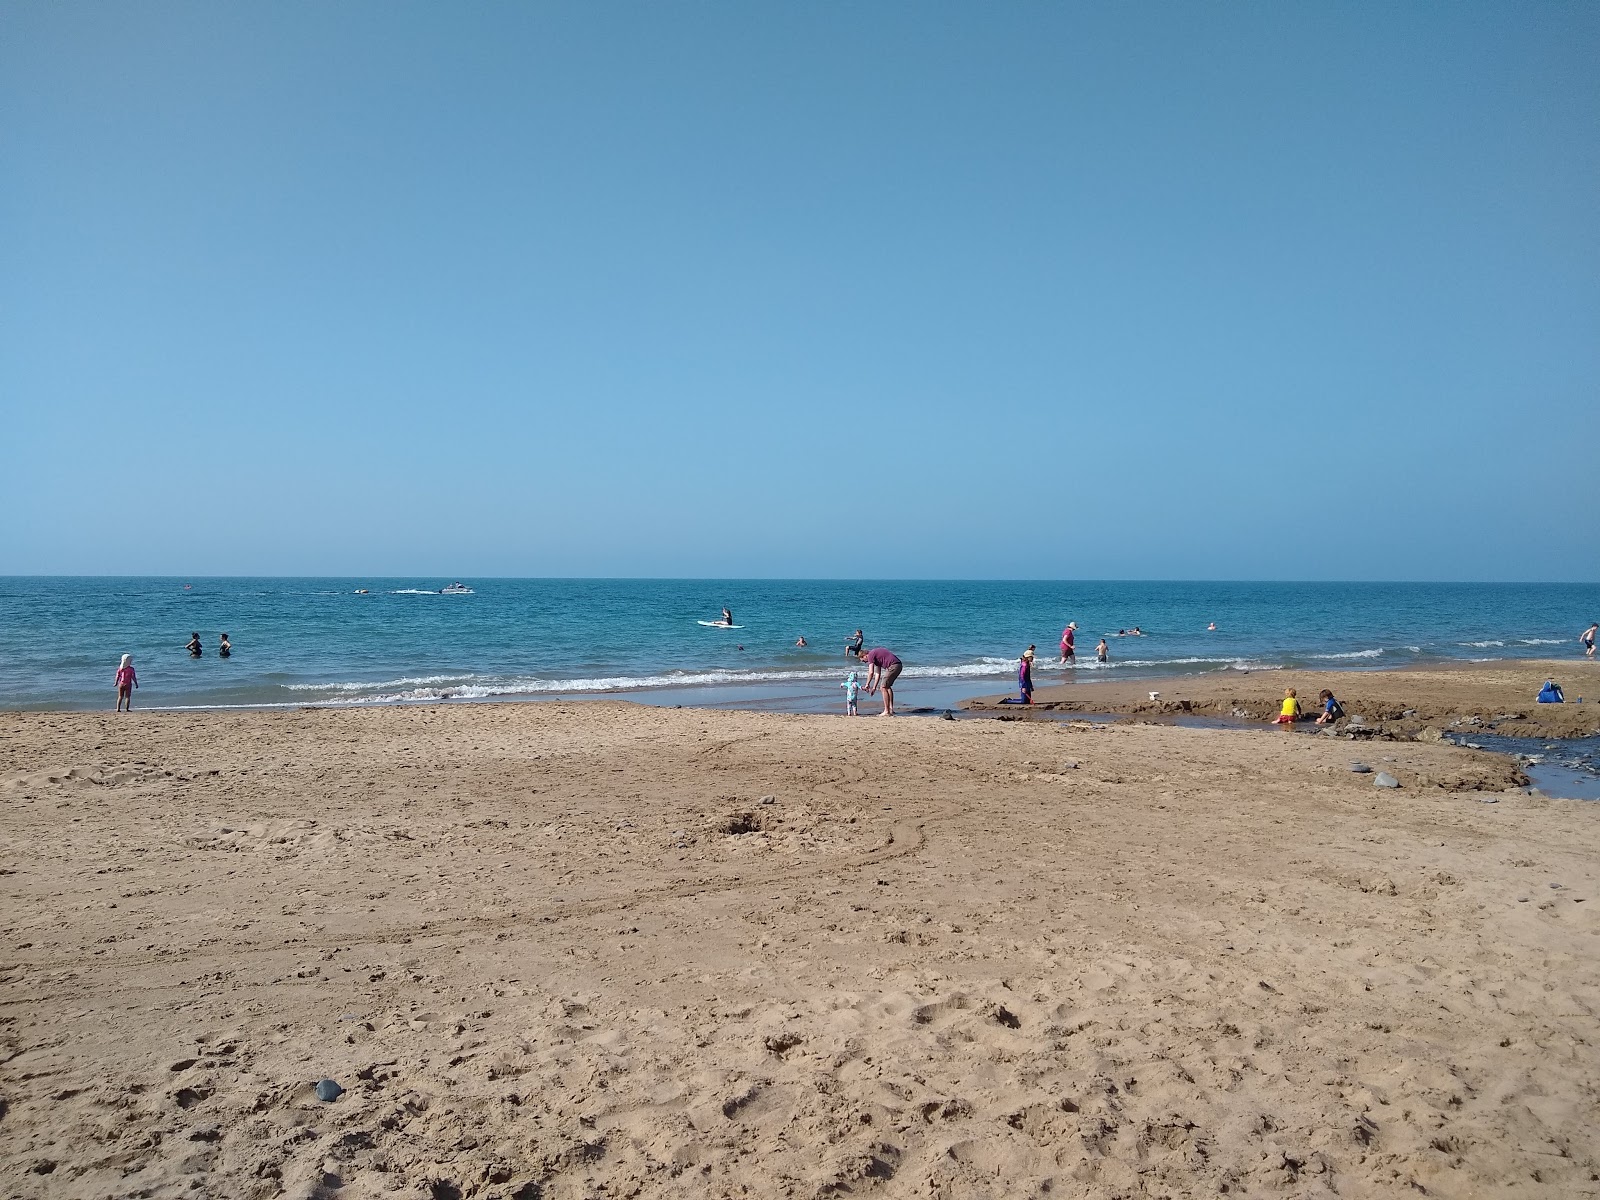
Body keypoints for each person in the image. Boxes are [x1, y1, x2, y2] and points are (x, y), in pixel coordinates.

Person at [860, 646, 902, 717]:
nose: (865, 662)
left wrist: (867, 684)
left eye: (864, 660)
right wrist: (874, 688)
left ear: (865, 655)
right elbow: (877, 674)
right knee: (887, 687)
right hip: (898, 665)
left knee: (883, 687)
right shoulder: (875, 657)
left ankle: (886, 711)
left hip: (893, 665)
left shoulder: (870, 655)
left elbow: (871, 672)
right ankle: (890, 709)